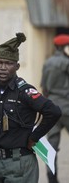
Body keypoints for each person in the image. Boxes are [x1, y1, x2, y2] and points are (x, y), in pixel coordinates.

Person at [0, 32, 61, 183]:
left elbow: (53, 112)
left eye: (8, 63)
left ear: (17, 66)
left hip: (19, 162)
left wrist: (34, 138)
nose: (2, 68)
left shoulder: (24, 91)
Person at [41, 34, 69, 183]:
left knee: (51, 147)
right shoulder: (66, 62)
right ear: (64, 47)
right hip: (67, 105)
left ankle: (52, 179)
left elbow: (44, 88)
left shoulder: (48, 63)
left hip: (52, 108)